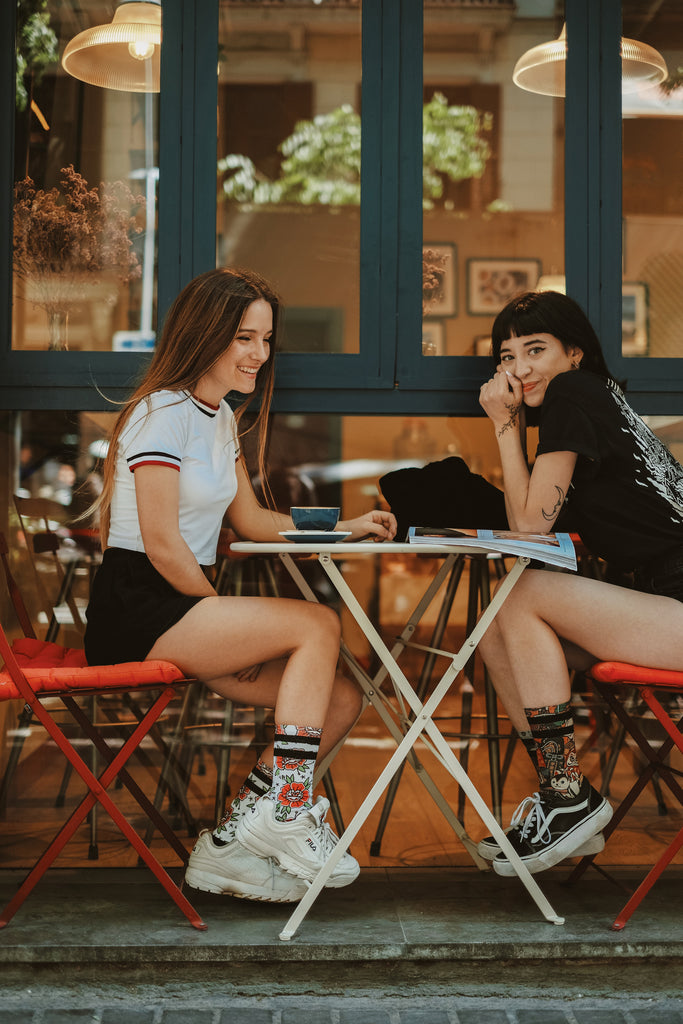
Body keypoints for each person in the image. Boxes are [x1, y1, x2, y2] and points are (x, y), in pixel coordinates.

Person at [84, 267, 397, 903]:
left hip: (183, 608)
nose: (258, 354)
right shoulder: (158, 414)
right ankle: (286, 810)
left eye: (265, 340)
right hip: (140, 607)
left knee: (341, 699)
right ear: (206, 336)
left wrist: (344, 526)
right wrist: (219, 613)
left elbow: (252, 520)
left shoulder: (220, 417)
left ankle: (228, 844)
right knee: (317, 624)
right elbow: (163, 542)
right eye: (244, 338)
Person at [476, 288, 683, 877]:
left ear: (574, 354)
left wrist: (505, 425)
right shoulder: (601, 401)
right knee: (495, 629)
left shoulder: (572, 393)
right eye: (507, 356)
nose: (519, 368)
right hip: (666, 604)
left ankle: (568, 798)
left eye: (535, 349)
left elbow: (528, 529)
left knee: (521, 596)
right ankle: (561, 793)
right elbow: (545, 521)